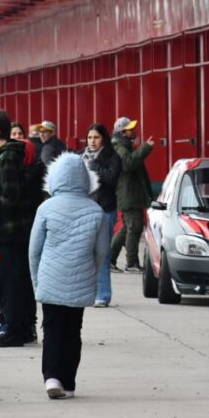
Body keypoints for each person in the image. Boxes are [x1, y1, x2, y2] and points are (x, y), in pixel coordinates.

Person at [29, 153, 107, 399]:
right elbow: (102, 251)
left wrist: (36, 281)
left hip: (50, 278)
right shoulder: (97, 211)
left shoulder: (45, 208)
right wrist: (89, 272)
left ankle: (52, 378)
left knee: (51, 329)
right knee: (74, 331)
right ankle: (69, 383)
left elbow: (34, 251)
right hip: (81, 278)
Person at [0, 109, 42, 347]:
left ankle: (14, 329)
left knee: (8, 281)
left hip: (9, 230)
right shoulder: (19, 152)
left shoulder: (5, 156)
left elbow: (9, 195)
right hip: (24, 229)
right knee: (22, 280)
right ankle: (25, 327)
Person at [80, 123, 121, 308]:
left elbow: (112, 179)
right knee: (86, 253)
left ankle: (103, 294)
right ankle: (88, 292)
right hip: (85, 209)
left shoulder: (112, 156)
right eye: (89, 137)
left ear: (103, 138)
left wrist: (94, 165)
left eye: (96, 137)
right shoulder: (81, 156)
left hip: (105, 209)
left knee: (102, 252)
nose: (92, 141)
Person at [109, 117, 155, 272]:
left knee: (126, 228)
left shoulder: (124, 145)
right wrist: (145, 148)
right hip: (128, 193)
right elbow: (128, 164)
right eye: (130, 129)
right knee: (134, 228)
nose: (133, 131)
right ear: (122, 131)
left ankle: (109, 259)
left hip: (130, 192)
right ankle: (131, 263)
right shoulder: (118, 145)